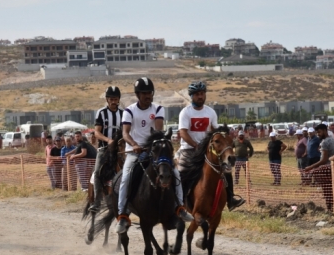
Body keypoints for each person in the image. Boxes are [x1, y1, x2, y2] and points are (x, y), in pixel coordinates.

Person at [115, 77, 193, 233]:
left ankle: (180, 207)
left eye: (150, 92)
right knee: (125, 177)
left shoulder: (158, 109)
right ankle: (123, 214)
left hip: (154, 152)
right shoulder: (129, 110)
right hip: (135, 152)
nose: (148, 96)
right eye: (144, 93)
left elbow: (157, 131)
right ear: (137, 94)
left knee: (175, 173)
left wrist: (151, 146)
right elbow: (125, 133)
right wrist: (135, 145)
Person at [177, 81, 244, 211]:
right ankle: (179, 204)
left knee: (226, 170)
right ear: (191, 96)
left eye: (202, 93)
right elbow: (183, 133)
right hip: (189, 150)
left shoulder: (211, 112)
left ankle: (230, 199)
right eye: (197, 94)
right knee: (181, 174)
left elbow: (215, 132)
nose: (200, 96)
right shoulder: (185, 112)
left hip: (208, 150)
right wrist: (195, 145)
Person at [89, 86, 123, 212]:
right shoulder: (101, 113)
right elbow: (97, 132)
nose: (113, 101)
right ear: (107, 100)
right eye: (111, 99)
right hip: (104, 149)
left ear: (119, 99)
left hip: (120, 151)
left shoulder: (123, 114)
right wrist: (109, 140)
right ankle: (97, 202)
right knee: (98, 172)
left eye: (115, 99)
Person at [304, 124, 334, 211]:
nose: (318, 134)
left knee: (327, 192)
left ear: (324, 130)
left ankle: (330, 209)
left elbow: (323, 160)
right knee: (332, 191)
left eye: (319, 132)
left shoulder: (324, 142)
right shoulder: (333, 140)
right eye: (317, 132)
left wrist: (311, 167)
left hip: (326, 170)